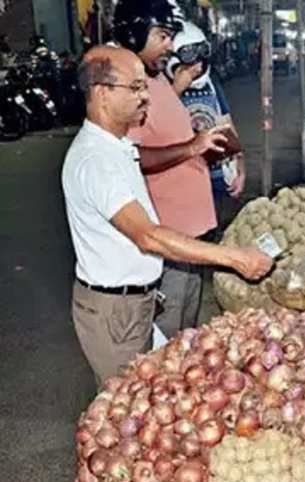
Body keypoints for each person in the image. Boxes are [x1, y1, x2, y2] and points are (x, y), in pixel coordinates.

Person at [62, 46, 272, 385]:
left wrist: (192, 147)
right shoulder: (95, 161)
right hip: (116, 312)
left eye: (145, 86)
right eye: (135, 88)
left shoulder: (115, 146)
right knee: (127, 409)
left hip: (136, 303)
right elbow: (148, 235)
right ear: (102, 93)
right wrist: (232, 258)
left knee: (157, 390)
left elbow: (146, 157)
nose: (146, 96)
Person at [113, 0, 229, 340]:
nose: (169, 45)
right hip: (170, 236)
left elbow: (166, 132)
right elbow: (131, 155)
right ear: (134, 34)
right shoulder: (129, 89)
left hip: (192, 233)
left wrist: (200, 144)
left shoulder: (157, 79)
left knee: (188, 327)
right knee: (168, 335)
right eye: (162, 36)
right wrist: (191, 147)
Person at [166, 20, 246, 240]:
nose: (198, 69)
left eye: (201, 61)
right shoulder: (160, 87)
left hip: (216, 177)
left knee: (214, 236)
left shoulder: (212, 83)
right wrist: (177, 89)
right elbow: (156, 125)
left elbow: (227, 124)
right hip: (181, 184)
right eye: (191, 64)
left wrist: (241, 167)